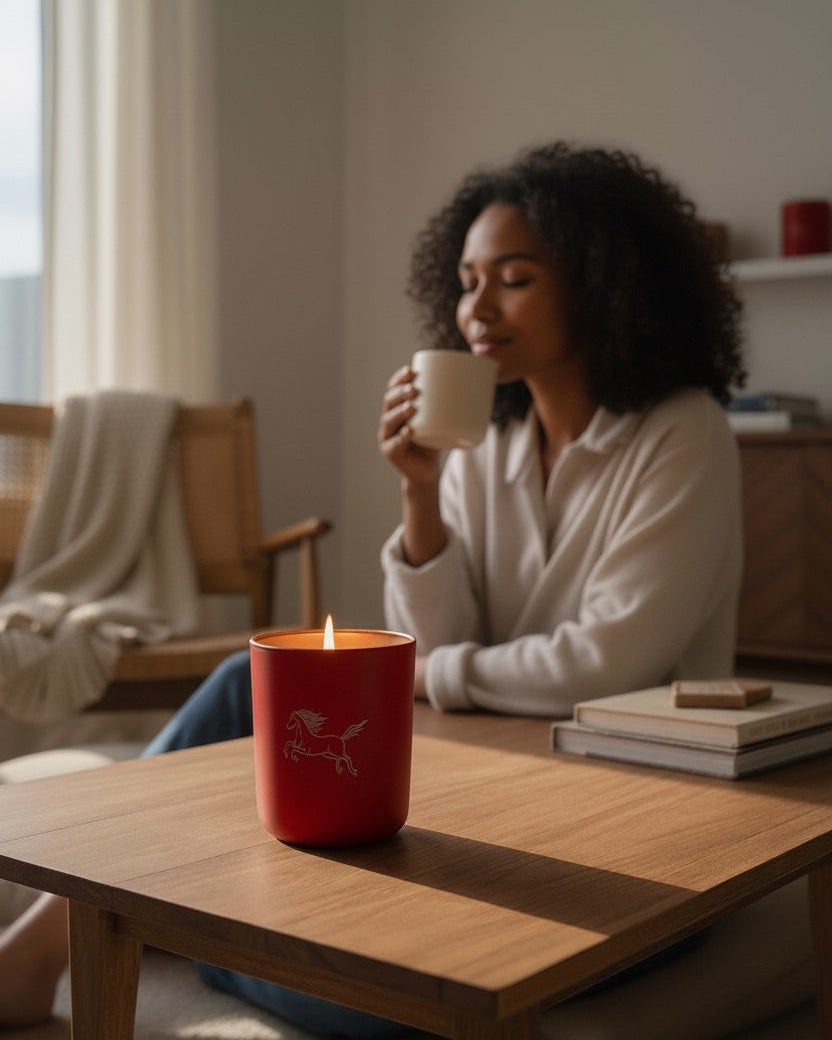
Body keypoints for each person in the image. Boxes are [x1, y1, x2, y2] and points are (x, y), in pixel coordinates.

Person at [0, 142, 745, 1034]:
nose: (476, 307)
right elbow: (440, 629)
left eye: (513, 278)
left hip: (632, 805)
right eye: (467, 280)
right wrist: (419, 490)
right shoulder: (483, 440)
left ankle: (153, 930)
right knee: (258, 677)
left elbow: (615, 660)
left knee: (403, 1011)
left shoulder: (682, 433)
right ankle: (45, 948)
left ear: (602, 283)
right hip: (495, 767)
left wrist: (430, 675)